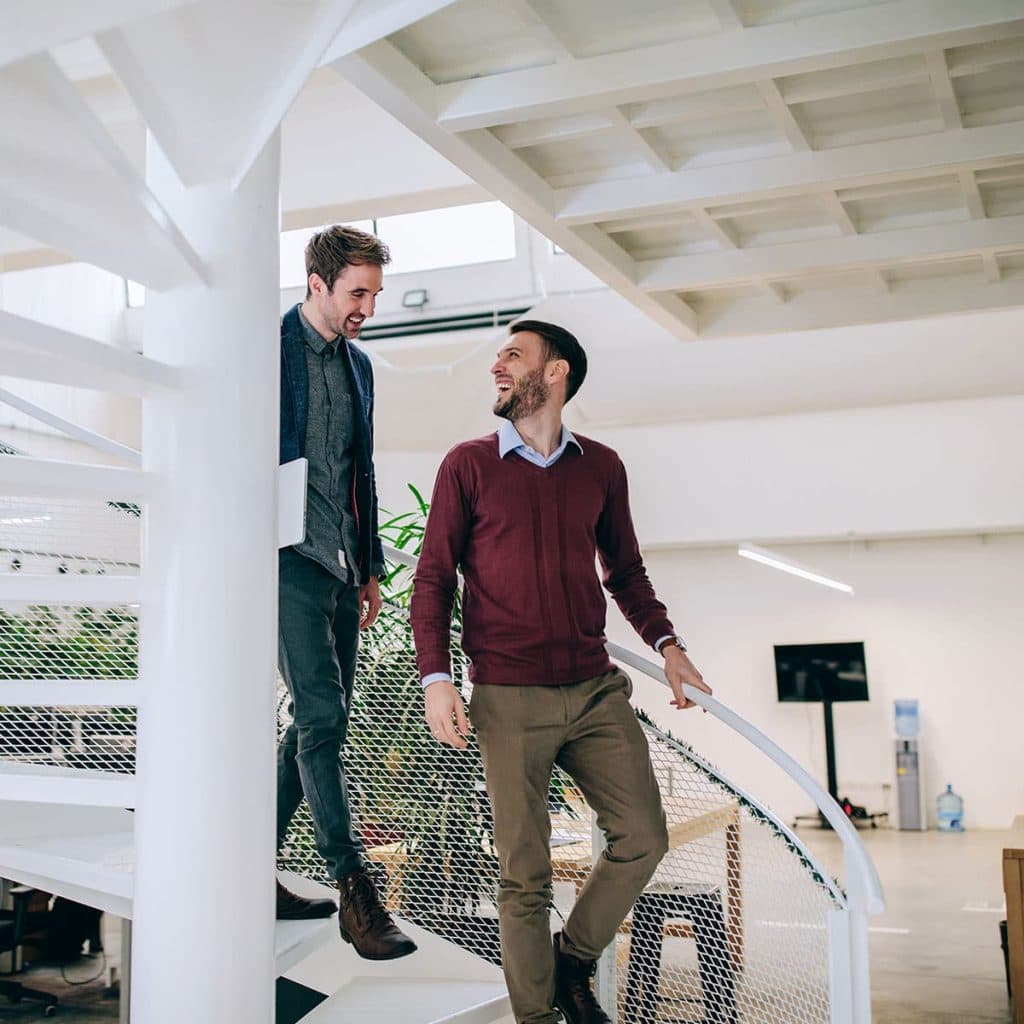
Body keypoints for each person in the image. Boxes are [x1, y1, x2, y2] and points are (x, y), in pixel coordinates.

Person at [409, 320, 713, 1023]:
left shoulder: (601, 467)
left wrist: (667, 644)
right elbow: (433, 579)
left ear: (556, 373)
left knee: (644, 837)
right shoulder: (468, 464)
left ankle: (570, 961)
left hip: (595, 690)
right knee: (525, 877)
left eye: (513, 355)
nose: (497, 366)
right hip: (508, 699)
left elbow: (626, 572)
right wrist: (436, 677)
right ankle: (541, 1016)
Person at [276, 225, 416, 961]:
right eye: (357, 292)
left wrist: (368, 566)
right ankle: (353, 889)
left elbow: (359, 470)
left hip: (337, 562)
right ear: (317, 281)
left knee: (314, 727)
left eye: (373, 294)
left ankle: (252, 869)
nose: (367, 307)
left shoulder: (360, 366)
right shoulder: (266, 350)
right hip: (283, 557)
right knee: (322, 715)